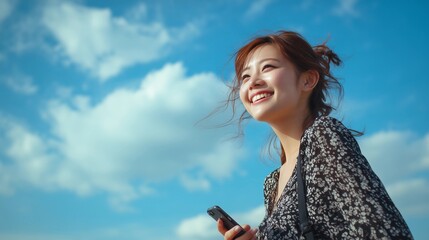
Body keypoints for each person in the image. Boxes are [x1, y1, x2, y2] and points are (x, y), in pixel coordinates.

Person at [216, 31, 413, 239]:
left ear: (308, 80)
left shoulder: (323, 136)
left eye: (268, 67)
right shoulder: (272, 183)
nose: (252, 81)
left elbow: (386, 232)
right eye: (245, 76)